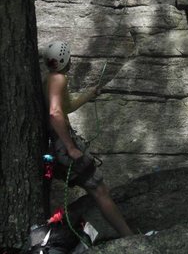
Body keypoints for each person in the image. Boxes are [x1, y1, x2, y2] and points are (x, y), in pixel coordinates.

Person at [42, 41, 133, 238]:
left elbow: (64, 108)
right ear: (65, 59)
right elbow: (55, 113)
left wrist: (88, 95)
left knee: (97, 189)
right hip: (63, 144)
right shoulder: (59, 79)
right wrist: (70, 147)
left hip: (56, 145)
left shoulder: (50, 78)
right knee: (99, 190)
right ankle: (130, 238)